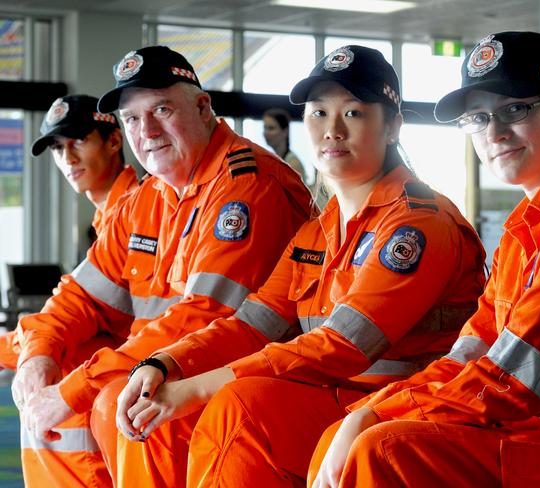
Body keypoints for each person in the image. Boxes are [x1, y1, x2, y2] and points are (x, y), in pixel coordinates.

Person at [114, 45, 487, 488]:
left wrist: (198, 386)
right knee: (179, 410)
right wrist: (164, 365)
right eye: (318, 113)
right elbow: (251, 325)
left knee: (240, 405)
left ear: (392, 127)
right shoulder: (317, 232)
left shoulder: (418, 222)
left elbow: (343, 345)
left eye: (353, 114)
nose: (332, 130)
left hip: (398, 410)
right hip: (336, 401)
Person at [310, 31, 540, 488]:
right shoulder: (525, 230)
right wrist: (370, 411)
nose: (494, 132)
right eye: (478, 117)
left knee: (383, 447)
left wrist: (375, 417)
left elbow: (513, 378)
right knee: (349, 433)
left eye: (515, 109)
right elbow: (468, 356)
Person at [11, 46, 313, 488]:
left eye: (162, 109)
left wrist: (79, 385)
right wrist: (38, 355)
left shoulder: (247, 187)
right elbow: (77, 297)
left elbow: (210, 321)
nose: (146, 130)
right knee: (58, 388)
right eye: (132, 119)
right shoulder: (149, 198)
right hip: (162, 369)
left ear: (203, 107)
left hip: (236, 379)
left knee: (117, 401)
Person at [0, 94, 138, 371]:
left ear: (113, 141)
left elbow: (85, 312)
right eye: (57, 148)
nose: (68, 158)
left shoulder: (136, 209)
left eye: (79, 141)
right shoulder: (107, 217)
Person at [263, 107, 308, 183]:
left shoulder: (293, 164)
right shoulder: (274, 159)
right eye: (265, 128)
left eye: (271, 128)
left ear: (285, 131)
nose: (266, 133)